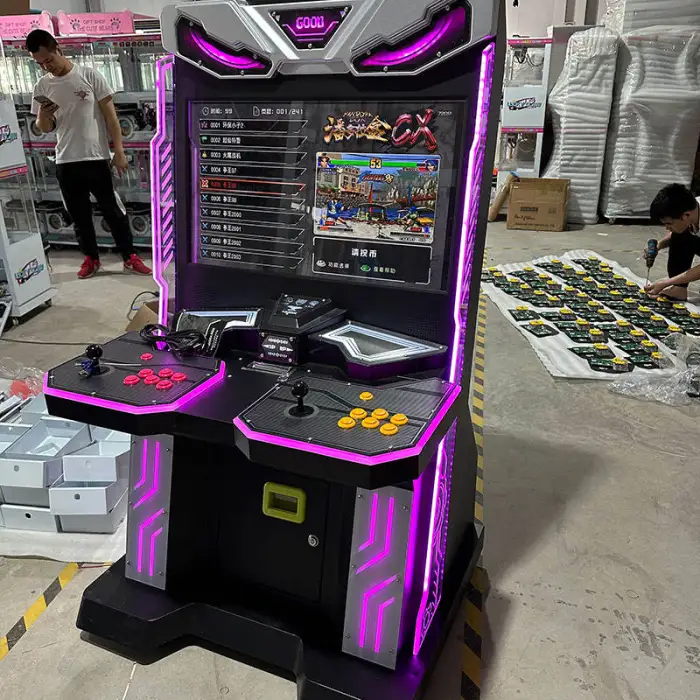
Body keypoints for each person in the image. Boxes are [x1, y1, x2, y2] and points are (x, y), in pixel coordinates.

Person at [26, 29, 151, 279]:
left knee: (114, 211)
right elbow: (45, 128)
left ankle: (129, 256)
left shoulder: (89, 75)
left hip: (96, 157)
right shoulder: (43, 85)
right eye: (40, 64)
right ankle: (91, 258)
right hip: (65, 160)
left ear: (58, 49)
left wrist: (118, 151)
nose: (46, 67)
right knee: (79, 215)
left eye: (48, 60)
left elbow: (111, 117)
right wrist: (42, 116)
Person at [645, 183, 700, 299]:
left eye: (669, 223)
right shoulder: (690, 207)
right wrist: (659, 245)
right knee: (680, 234)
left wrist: (666, 283)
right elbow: (678, 231)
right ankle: (679, 289)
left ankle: (676, 286)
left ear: (686, 215)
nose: (667, 228)